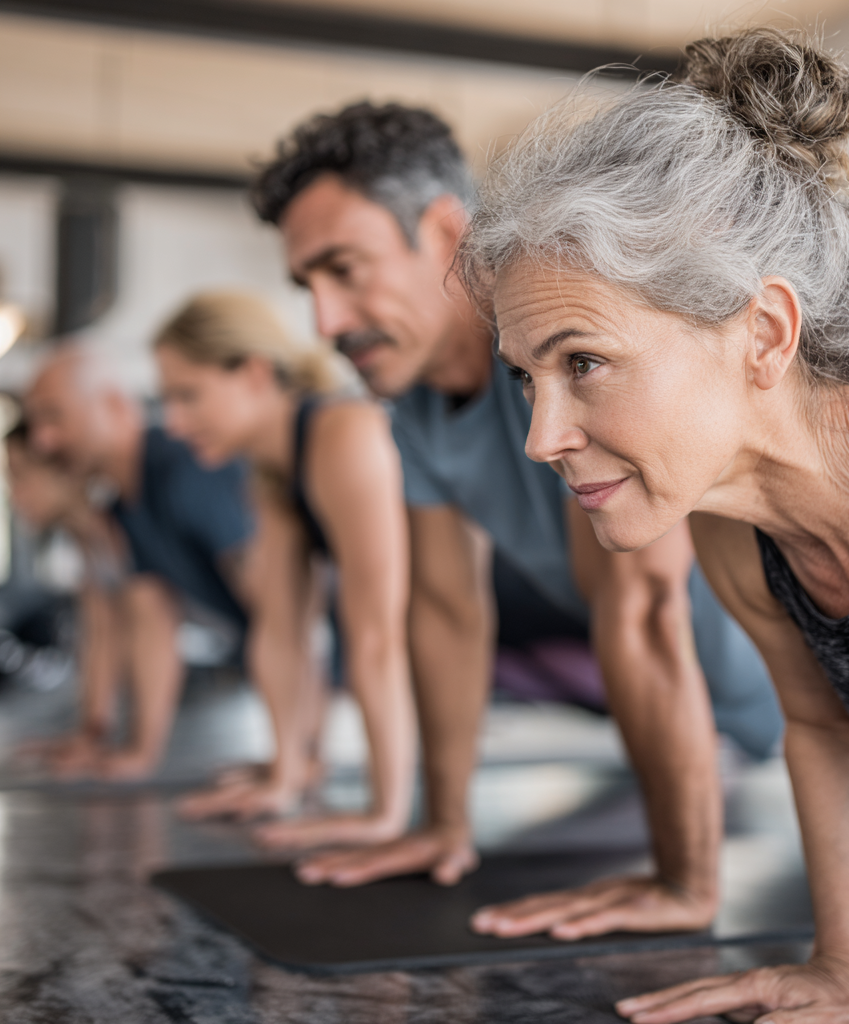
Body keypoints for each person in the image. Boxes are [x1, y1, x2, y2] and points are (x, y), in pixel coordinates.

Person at [460, 27, 849, 1024]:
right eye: (525, 379)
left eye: (581, 361)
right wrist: (839, 972)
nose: (541, 436)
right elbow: (827, 724)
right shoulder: (730, 521)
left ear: (762, 334)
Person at [248, 101, 782, 940]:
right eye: (306, 286)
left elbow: (640, 607)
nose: (326, 323)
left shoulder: (565, 347)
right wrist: (443, 821)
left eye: (344, 270)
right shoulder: (415, 408)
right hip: (678, 722)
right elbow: (447, 610)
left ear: (442, 231)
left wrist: (686, 881)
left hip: (783, 699)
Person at [154, 290, 417, 835]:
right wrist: (286, 775)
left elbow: (376, 638)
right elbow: (280, 633)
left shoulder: (343, 430)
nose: (174, 423)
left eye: (188, 395)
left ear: (252, 372)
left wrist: (384, 814)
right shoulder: (273, 472)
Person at [23, 344, 253, 781]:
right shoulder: (123, 507)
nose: (42, 441)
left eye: (54, 417)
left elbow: (288, 615)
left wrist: (294, 766)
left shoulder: (186, 466)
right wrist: (136, 754)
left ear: (112, 404)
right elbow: (151, 626)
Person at [4, 419, 126, 776]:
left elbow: (152, 631)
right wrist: (92, 734)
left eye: (21, 475)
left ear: (66, 472)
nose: (14, 494)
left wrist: (140, 753)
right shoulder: (86, 546)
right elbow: (101, 634)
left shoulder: (123, 523)